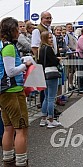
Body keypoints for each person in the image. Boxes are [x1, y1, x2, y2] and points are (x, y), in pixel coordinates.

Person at [0, 17, 31, 167]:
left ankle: (8, 160)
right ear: (11, 30)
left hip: (4, 92)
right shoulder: (9, 47)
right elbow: (10, 71)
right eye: (17, 29)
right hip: (13, 91)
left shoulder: (3, 46)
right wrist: (25, 64)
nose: (19, 31)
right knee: (21, 129)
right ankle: (21, 162)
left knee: (8, 128)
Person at [38, 31, 62, 128]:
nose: (51, 39)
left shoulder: (41, 49)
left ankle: (43, 119)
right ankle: (51, 120)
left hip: (44, 74)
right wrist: (58, 59)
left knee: (46, 97)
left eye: (52, 37)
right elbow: (53, 60)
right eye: (49, 38)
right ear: (45, 39)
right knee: (51, 98)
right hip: (51, 73)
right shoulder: (48, 48)